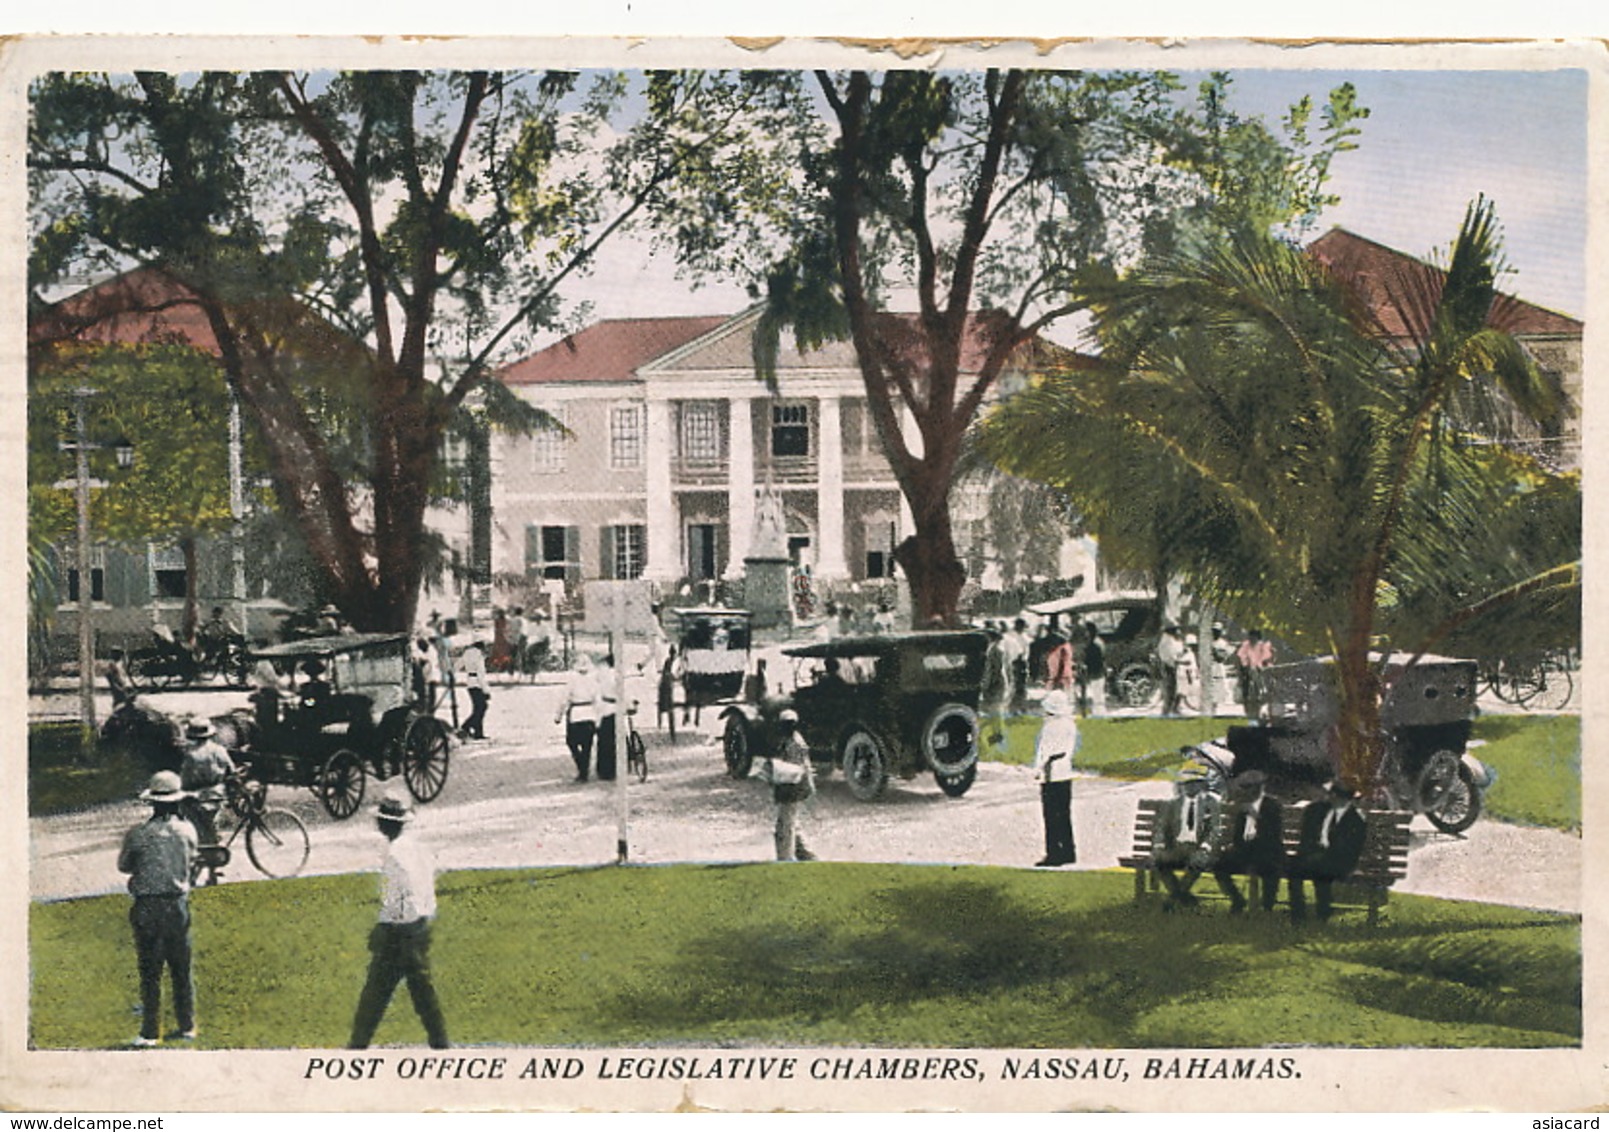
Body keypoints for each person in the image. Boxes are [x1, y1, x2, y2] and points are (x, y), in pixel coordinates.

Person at [348, 793, 450, 1050]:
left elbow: (394, 902)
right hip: (420, 928)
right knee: (423, 993)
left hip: (399, 934)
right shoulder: (418, 849)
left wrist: (383, 929)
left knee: (375, 994)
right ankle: (441, 1043)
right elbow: (428, 888)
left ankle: (357, 1047)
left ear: (388, 824)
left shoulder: (394, 856)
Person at [117, 770, 200, 1046]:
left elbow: (124, 865)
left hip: (148, 904)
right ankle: (186, 1024)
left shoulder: (139, 834)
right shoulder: (187, 830)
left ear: (152, 802)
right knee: (181, 967)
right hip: (177, 903)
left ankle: (151, 1031)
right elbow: (193, 859)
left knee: (150, 970)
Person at [1287, 781, 1368, 923]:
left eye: (1332, 796)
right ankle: (1298, 914)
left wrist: (1321, 856)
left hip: (1340, 862)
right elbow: (1307, 837)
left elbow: (1349, 850)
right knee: (1295, 867)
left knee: (1320, 867)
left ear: (1340, 798)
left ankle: (1323, 912)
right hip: (1315, 858)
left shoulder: (1355, 820)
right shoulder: (1319, 810)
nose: (1328, 798)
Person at [1211, 770, 1286, 914]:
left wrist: (1255, 815)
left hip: (1268, 852)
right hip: (1246, 852)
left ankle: (1267, 906)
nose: (1246, 791)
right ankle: (1237, 899)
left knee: (1269, 868)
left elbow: (1273, 835)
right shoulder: (1243, 806)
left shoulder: (1272, 805)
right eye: (1244, 787)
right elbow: (1238, 836)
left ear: (1260, 787)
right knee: (1220, 866)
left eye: (1249, 787)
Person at [1154, 764, 1221, 911]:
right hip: (1177, 847)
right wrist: (1159, 844)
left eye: (1194, 784)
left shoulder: (1210, 803)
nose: (1190, 788)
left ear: (1201, 785)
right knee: (1159, 861)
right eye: (1186, 784)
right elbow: (1161, 827)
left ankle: (1172, 900)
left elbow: (1215, 829)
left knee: (1198, 862)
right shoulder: (1173, 804)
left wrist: (1206, 846)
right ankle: (1183, 897)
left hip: (1199, 848)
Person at [1031, 689, 1079, 867]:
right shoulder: (1070, 724)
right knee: (1064, 814)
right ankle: (1068, 850)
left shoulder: (1050, 727)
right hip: (1065, 772)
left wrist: (1037, 769)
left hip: (1051, 774)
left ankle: (1054, 853)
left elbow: (1045, 751)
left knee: (1051, 816)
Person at [767, 710, 816, 861]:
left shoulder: (793, 743)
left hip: (792, 787)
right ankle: (805, 854)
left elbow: (795, 770)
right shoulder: (793, 740)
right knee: (791, 822)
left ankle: (785, 857)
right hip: (793, 786)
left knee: (785, 825)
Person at [178, 719, 235, 848]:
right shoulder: (220, 750)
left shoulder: (190, 754)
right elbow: (231, 770)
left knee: (192, 820)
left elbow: (186, 780)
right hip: (217, 795)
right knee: (212, 826)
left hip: (198, 797)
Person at [556, 654, 598, 781]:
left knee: (571, 742)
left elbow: (564, 698)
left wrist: (558, 715)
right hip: (590, 714)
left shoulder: (572, 678)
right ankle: (584, 769)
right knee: (587, 746)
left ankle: (582, 767)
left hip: (576, 714)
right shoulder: (594, 678)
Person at [980, 627, 1009, 752]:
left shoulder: (995, 651)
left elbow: (993, 672)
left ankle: (997, 738)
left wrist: (985, 686)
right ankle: (995, 738)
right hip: (997, 686)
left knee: (994, 714)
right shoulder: (994, 650)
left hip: (995, 686)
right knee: (994, 714)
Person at [1235, 628, 1274, 715]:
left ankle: (1261, 699)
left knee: (1263, 684)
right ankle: (1247, 704)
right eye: (1251, 637)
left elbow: (1266, 657)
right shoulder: (1246, 645)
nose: (1252, 639)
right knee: (1245, 685)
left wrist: (1259, 665)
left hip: (1260, 670)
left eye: (1254, 637)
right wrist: (1246, 665)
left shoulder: (1263, 645)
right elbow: (1241, 656)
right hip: (1247, 670)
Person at [594, 653, 620, 782]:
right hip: (616, 707)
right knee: (615, 739)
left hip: (604, 707)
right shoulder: (616, 675)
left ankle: (604, 769)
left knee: (604, 740)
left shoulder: (603, 674)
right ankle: (614, 767)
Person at [458, 637, 489, 741]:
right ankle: (467, 726)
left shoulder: (467, 653)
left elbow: (457, 665)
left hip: (470, 682)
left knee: (478, 708)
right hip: (477, 683)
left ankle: (477, 731)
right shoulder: (479, 655)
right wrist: (486, 690)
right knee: (482, 707)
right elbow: (481, 674)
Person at [1077, 621, 1107, 718]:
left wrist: (1085, 667)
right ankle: (1098, 714)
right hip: (1098, 673)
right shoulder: (1097, 642)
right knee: (1098, 696)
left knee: (1097, 697)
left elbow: (1094, 660)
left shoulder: (1094, 644)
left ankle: (1099, 715)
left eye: (1086, 631)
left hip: (1096, 673)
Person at [1156, 625, 1187, 715]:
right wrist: (1182, 662)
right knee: (1170, 693)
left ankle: (1171, 710)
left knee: (1173, 691)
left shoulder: (1169, 640)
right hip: (1168, 668)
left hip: (1170, 667)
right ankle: (1166, 713)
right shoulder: (1168, 642)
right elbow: (1171, 658)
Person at [1003, 618, 1031, 714]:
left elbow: (1026, 649)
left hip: (1023, 663)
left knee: (1022, 687)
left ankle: (1021, 706)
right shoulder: (1009, 636)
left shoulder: (1024, 637)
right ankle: (1012, 708)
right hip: (1013, 662)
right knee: (1014, 686)